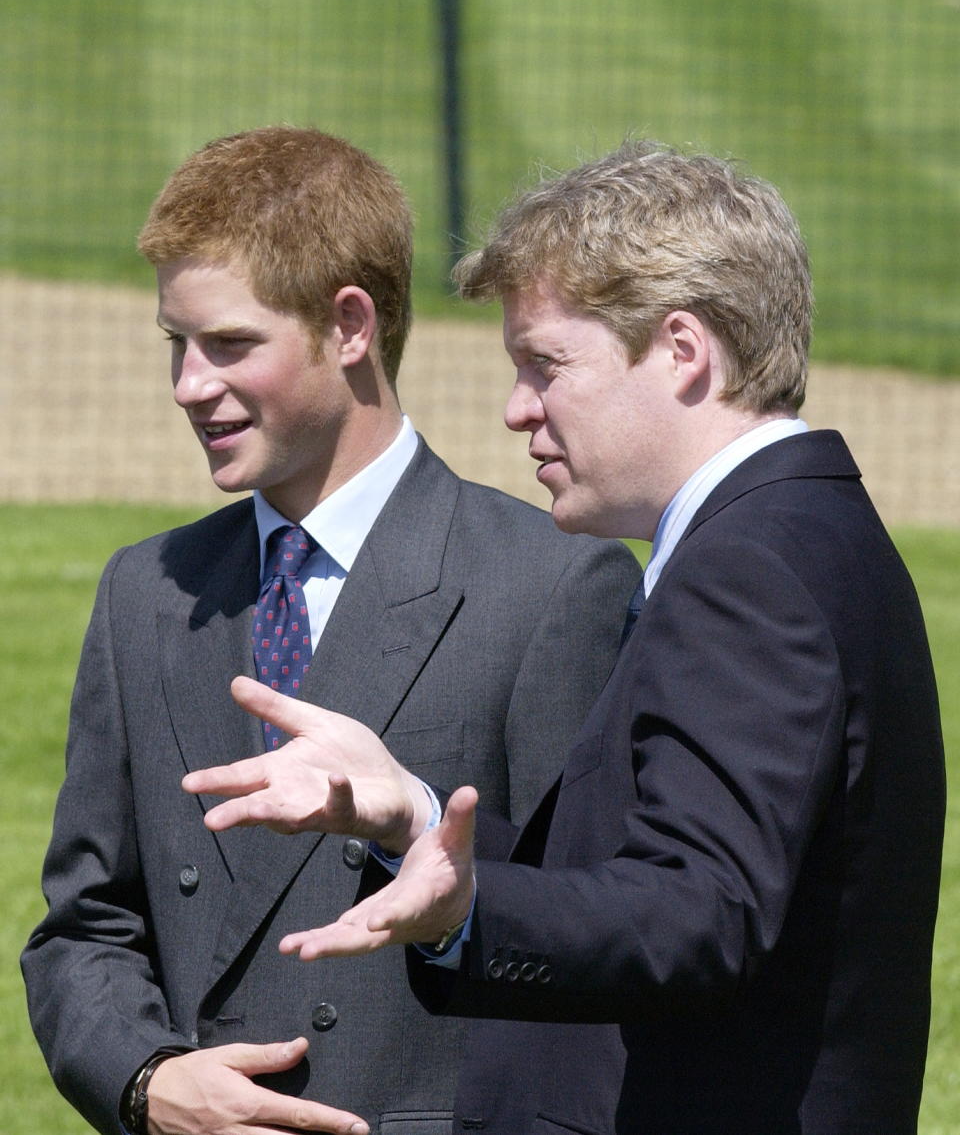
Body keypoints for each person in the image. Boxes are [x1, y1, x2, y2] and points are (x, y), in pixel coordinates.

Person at [183, 141, 946, 1134]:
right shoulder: (793, 534)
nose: (515, 409)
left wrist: (465, 914)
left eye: (545, 363)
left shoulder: (752, 567)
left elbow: (700, 911)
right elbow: (649, 868)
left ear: (683, 351)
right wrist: (412, 816)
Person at [21, 127, 641, 1135]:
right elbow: (84, 928)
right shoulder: (147, 591)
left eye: (228, 344)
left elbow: (594, 940)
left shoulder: (551, 586)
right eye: (175, 343)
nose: (187, 383)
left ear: (350, 325)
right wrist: (147, 1078)